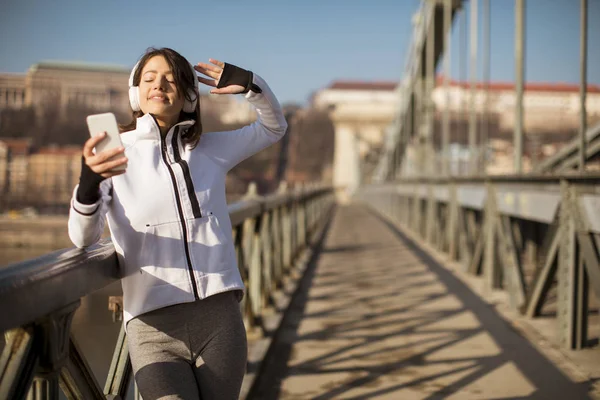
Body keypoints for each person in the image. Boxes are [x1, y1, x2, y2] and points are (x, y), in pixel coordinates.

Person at [67, 47, 287, 399]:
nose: (159, 85)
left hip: (219, 319)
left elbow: (274, 127)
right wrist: (89, 183)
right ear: (135, 92)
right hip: (153, 327)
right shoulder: (115, 152)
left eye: (171, 79)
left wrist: (251, 85)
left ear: (188, 97)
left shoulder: (210, 148)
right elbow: (82, 238)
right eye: (149, 78)